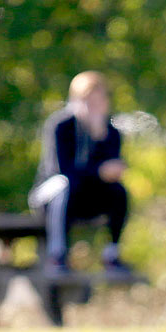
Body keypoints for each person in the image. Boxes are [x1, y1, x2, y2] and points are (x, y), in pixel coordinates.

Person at [32, 70, 132, 278]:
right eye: (88, 101)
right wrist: (98, 171)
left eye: (98, 101)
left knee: (119, 191)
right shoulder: (61, 126)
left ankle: (112, 254)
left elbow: (111, 168)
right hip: (51, 196)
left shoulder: (110, 131)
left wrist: (100, 138)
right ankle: (57, 256)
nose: (93, 107)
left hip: (85, 199)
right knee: (66, 184)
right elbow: (62, 170)